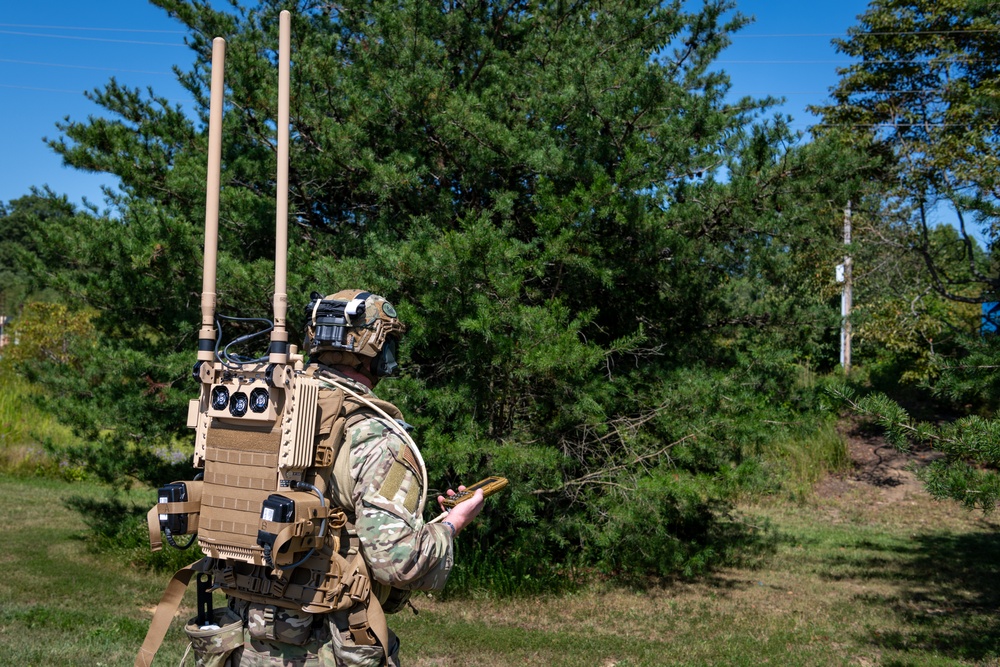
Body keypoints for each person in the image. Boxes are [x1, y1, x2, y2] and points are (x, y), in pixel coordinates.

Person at [232, 289, 485, 667]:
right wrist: (450, 525)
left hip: (249, 638)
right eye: (389, 348)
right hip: (330, 645)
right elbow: (397, 561)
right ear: (373, 352)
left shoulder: (262, 409)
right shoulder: (377, 436)